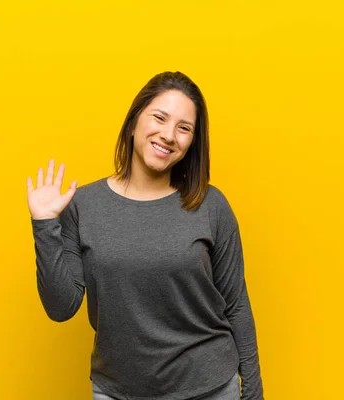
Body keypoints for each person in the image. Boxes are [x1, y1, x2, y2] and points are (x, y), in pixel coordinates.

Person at [26, 71, 265, 399]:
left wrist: (253, 392)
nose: (169, 135)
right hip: (118, 391)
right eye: (160, 117)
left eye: (184, 128)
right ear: (134, 121)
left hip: (208, 388)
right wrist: (44, 225)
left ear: (192, 142)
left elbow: (236, 305)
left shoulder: (211, 205)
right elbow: (61, 307)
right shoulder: (82, 205)